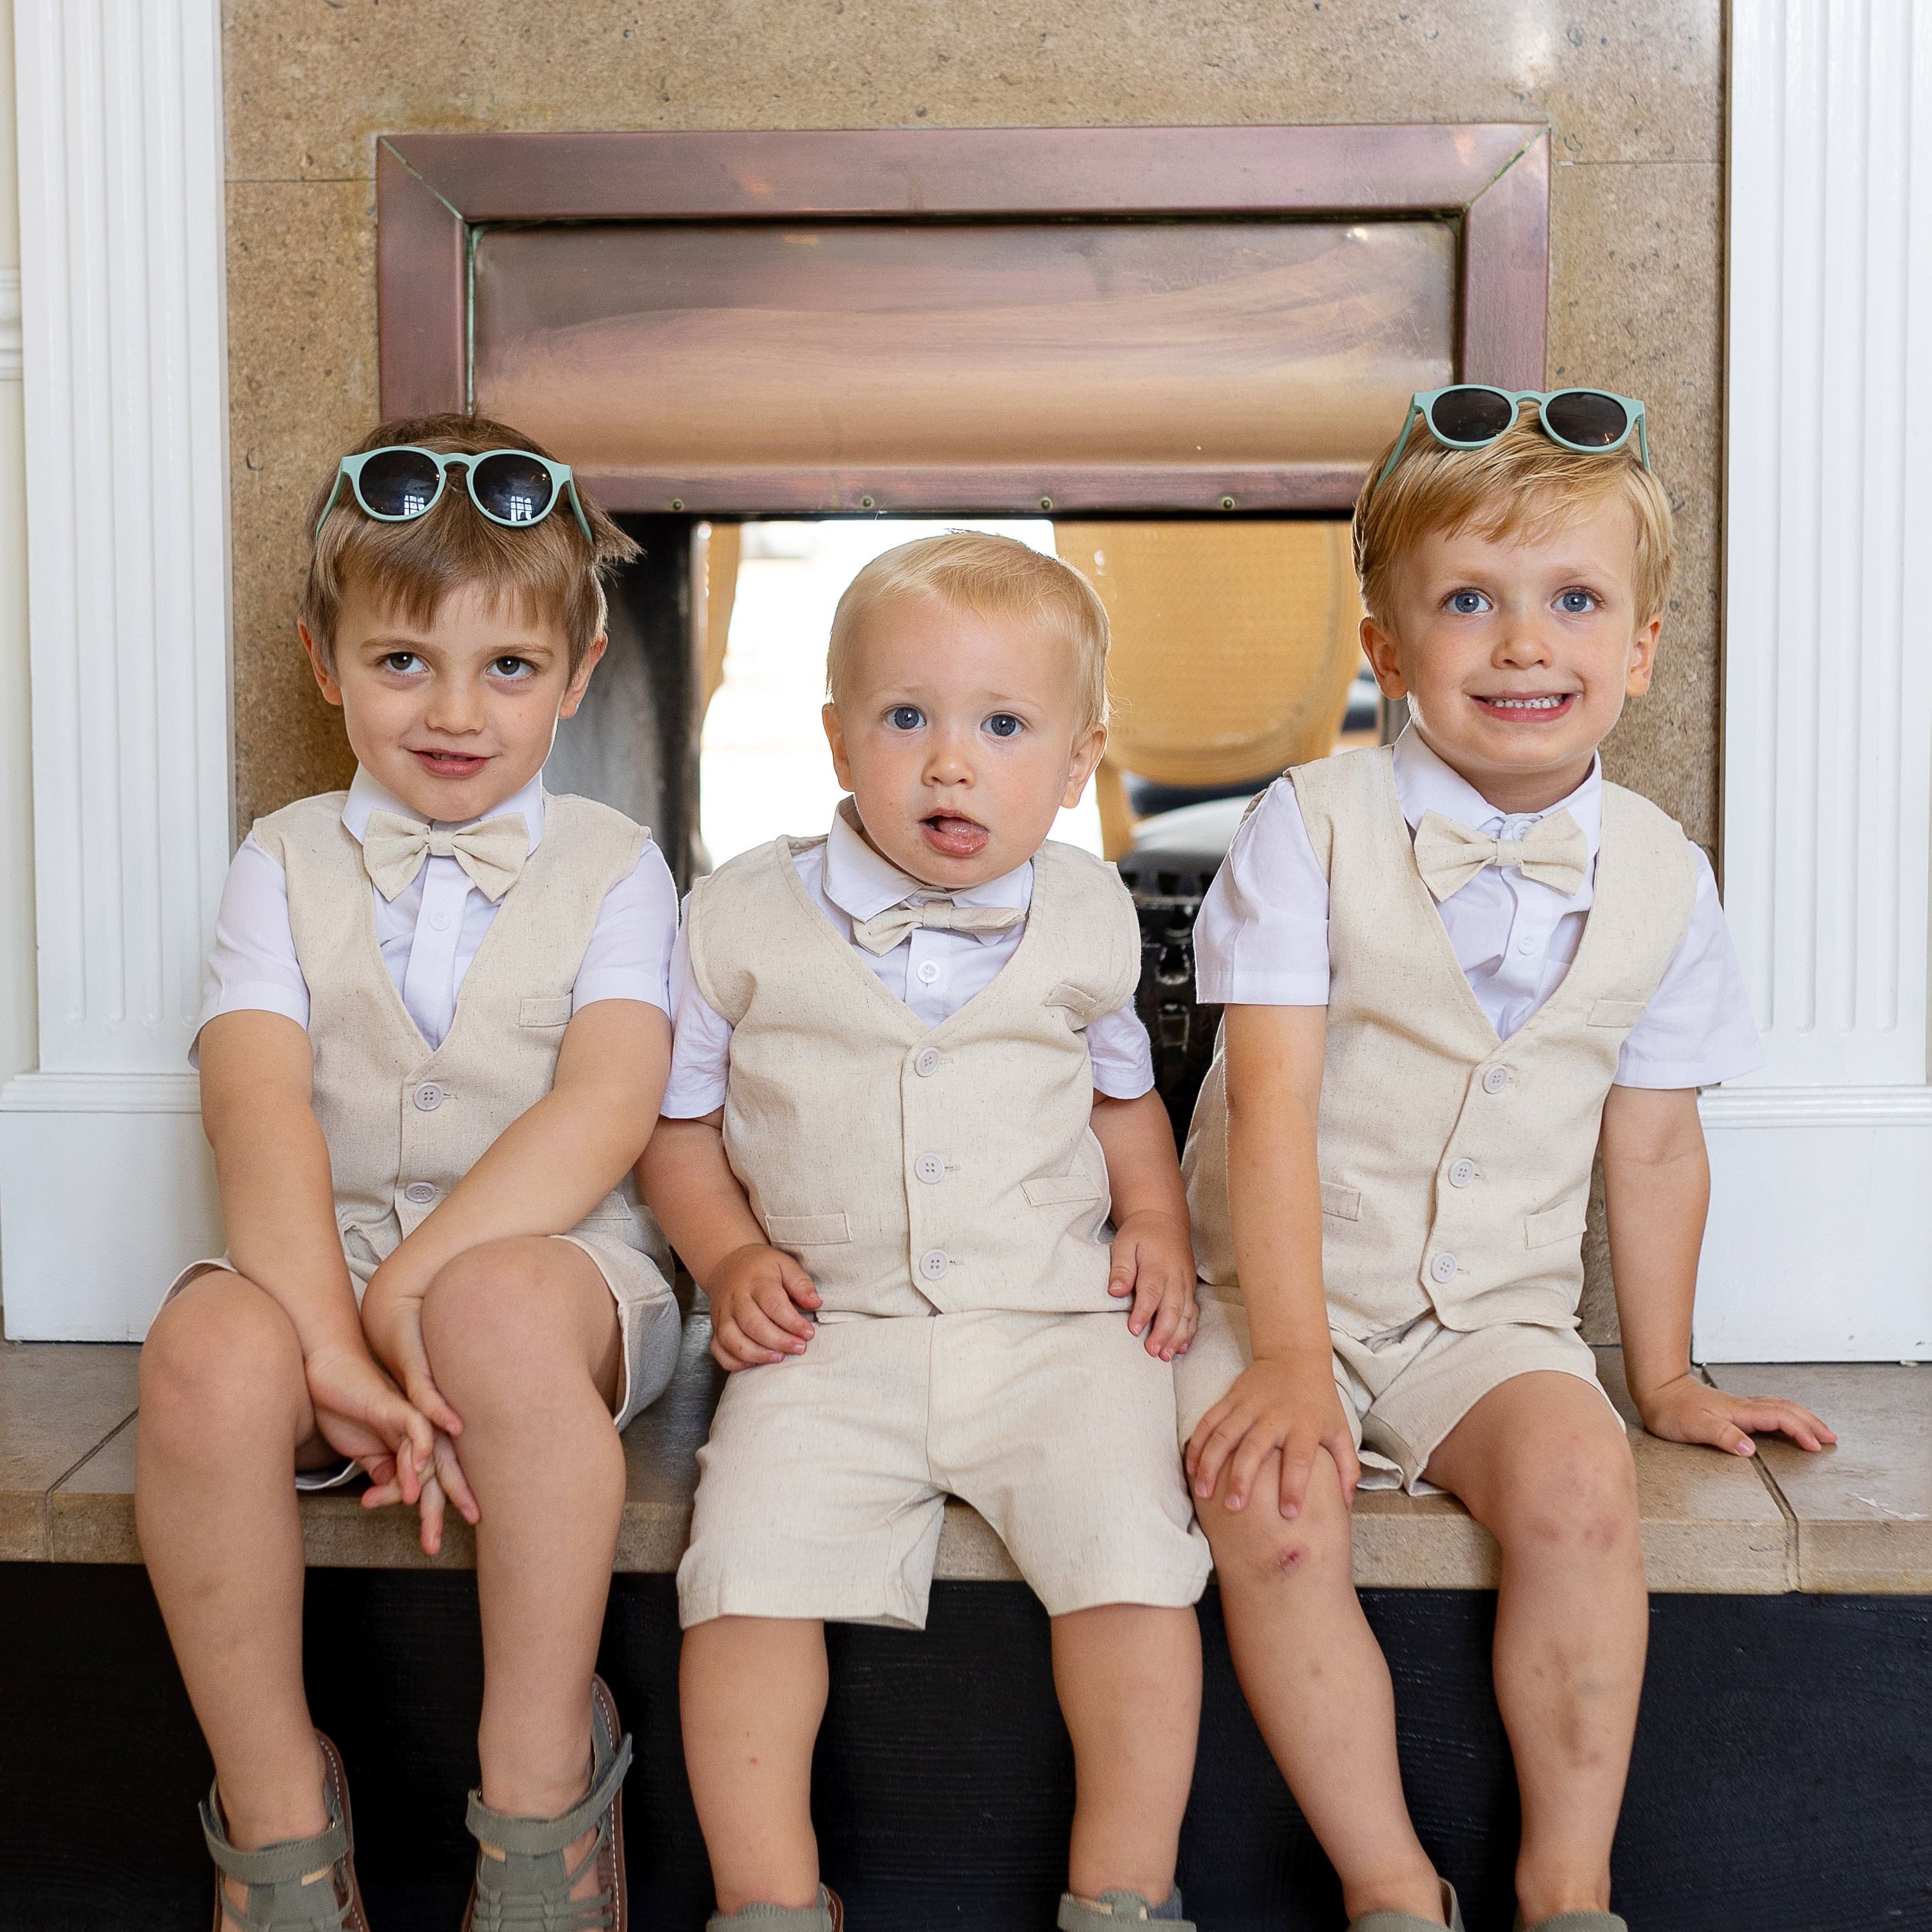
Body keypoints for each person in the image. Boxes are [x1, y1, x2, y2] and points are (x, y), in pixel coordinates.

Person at [1176, 388, 1837, 1932]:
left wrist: (1660, 1373)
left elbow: (1656, 1138)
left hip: (1494, 1316)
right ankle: (1393, 1887)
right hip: (1268, 1293)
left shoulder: (1668, 874)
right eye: (1467, 602)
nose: (1524, 643)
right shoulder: (1307, 826)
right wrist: (1281, 1356)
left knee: (1580, 1486)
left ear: (1643, 648)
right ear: (1386, 651)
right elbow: (1264, 1102)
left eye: (1574, 602)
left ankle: (1567, 1883)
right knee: (1272, 1509)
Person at [136, 414, 682, 1932]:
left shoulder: (616, 863)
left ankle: (535, 1792)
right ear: (326, 661)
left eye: (508, 668)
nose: (454, 710)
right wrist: (322, 1335)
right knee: (198, 1354)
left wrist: (418, 1298)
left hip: (553, 1271)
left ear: (576, 676)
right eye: (401, 662)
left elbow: (608, 1101)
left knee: (496, 1315)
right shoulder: (283, 857)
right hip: (328, 1261)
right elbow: (256, 1111)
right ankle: (278, 1815)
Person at [642, 532, 1212, 1932]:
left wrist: (1155, 1222)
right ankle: (770, 1898)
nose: (949, 764)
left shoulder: (1088, 914)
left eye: (1001, 726)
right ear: (836, 735)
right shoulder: (739, 916)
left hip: (1054, 1328)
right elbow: (676, 1130)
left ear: (1077, 764)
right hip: (827, 1340)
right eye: (907, 718)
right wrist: (725, 1258)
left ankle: (1123, 1891)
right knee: (739, 1581)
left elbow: (1127, 1100)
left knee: (1136, 1570)